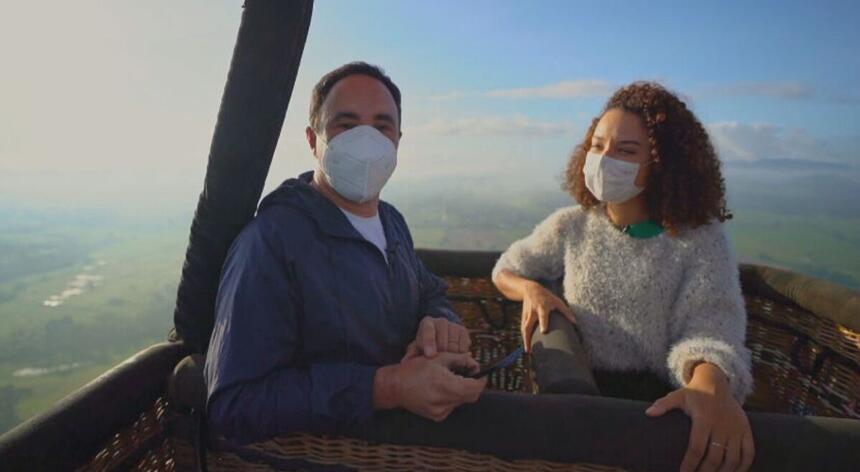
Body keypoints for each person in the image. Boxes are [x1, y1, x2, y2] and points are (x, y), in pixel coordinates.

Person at [204, 62, 486, 445]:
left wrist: (438, 321)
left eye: (382, 127)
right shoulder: (271, 242)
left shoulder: (392, 223)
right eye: (347, 126)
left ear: (398, 140)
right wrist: (386, 387)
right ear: (312, 139)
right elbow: (235, 404)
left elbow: (428, 290)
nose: (367, 142)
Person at [492, 82, 754, 472]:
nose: (603, 159)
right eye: (597, 146)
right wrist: (531, 290)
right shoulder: (571, 226)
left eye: (626, 151)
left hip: (662, 408)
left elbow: (711, 327)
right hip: (584, 399)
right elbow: (507, 269)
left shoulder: (700, 241)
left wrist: (709, 384)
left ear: (663, 163)